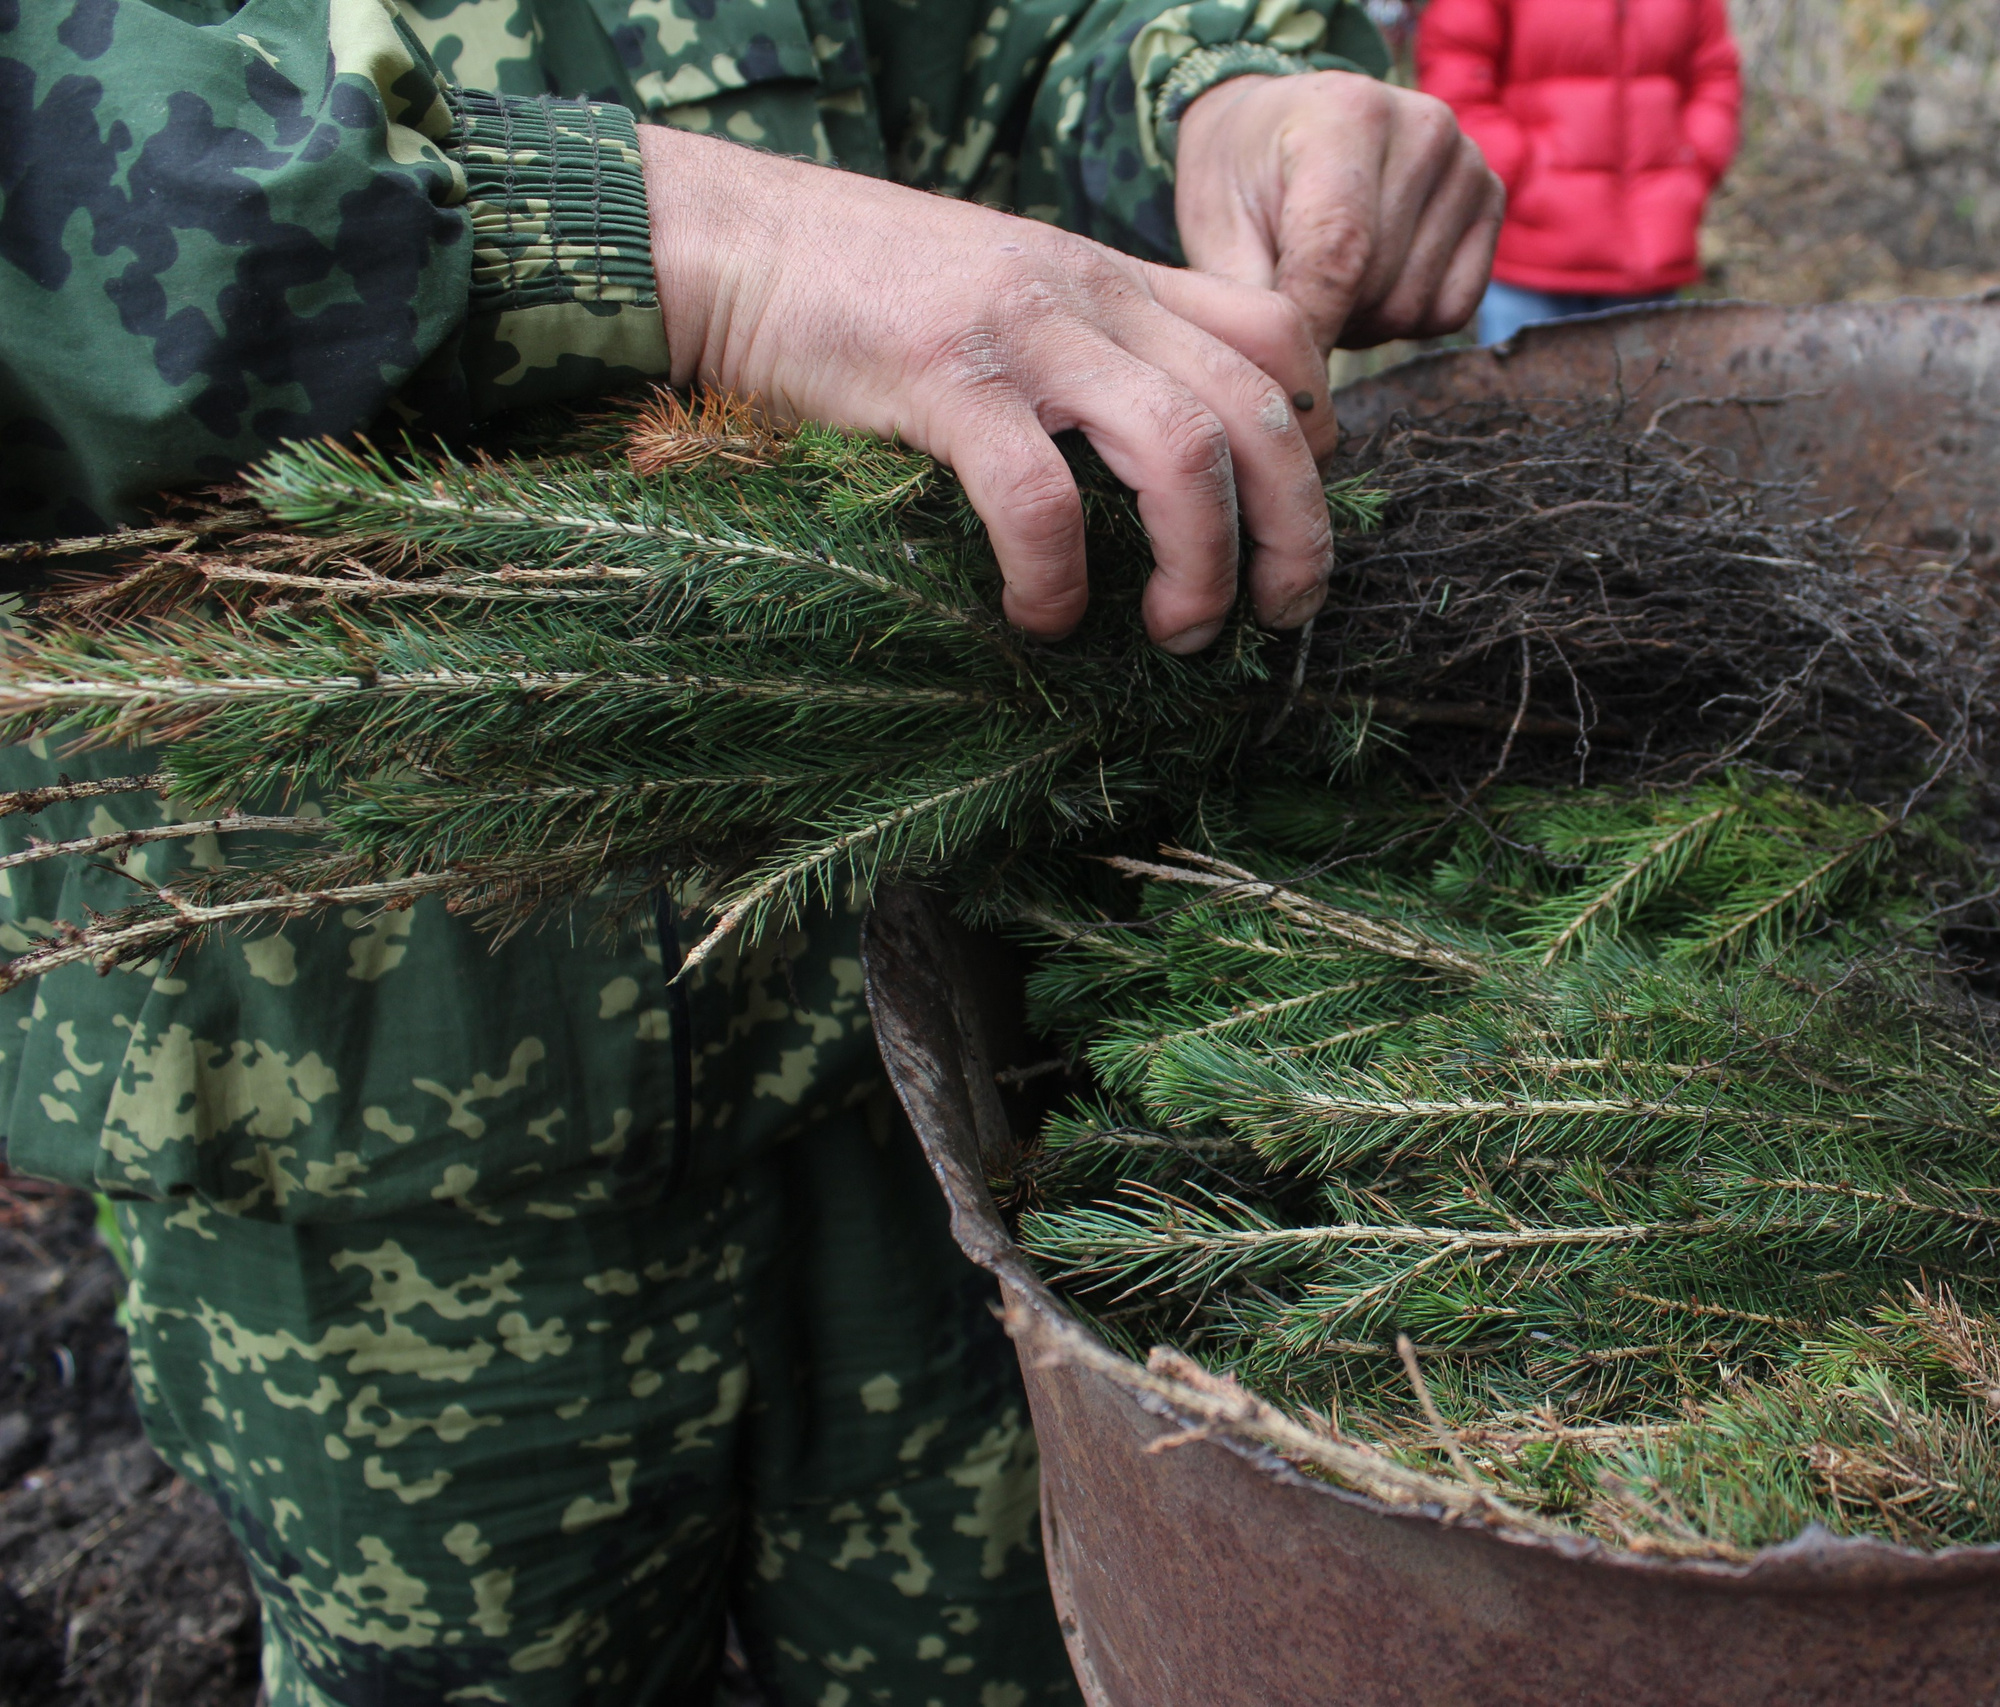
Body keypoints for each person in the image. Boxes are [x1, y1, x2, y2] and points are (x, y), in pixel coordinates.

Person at [0, 2, 1500, 1701]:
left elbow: (1015, 38)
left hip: (929, 1065)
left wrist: (1206, 93)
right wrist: (713, 254)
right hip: (381, 1123)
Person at [1417, 0, 1742, 347]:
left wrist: (1693, 166)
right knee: (1523, 399)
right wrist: (1518, 177)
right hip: (1529, 259)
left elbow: (1715, 74)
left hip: (1650, 254)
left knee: (1650, 396)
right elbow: (1457, 77)